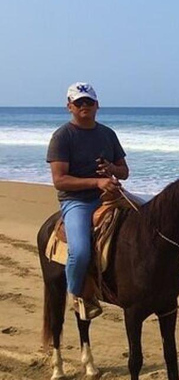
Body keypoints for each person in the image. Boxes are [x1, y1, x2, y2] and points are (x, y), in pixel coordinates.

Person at [46, 82, 129, 319]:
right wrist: (96, 182)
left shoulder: (107, 134)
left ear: (97, 105)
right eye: (79, 102)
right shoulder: (62, 136)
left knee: (151, 219)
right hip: (77, 201)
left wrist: (113, 169)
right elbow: (59, 180)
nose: (84, 106)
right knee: (80, 251)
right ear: (69, 106)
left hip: (111, 195)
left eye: (88, 102)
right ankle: (78, 294)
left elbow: (125, 171)